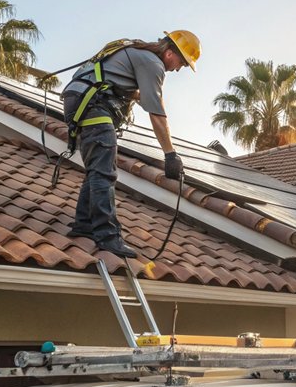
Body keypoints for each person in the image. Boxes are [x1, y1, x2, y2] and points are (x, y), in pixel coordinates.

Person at [61, 30, 201, 258]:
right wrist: (170, 155)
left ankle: (84, 224)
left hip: (80, 100)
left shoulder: (137, 52)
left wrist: (140, 95)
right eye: (182, 63)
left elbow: (127, 87)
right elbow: (157, 115)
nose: (178, 69)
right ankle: (107, 236)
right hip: (93, 105)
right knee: (105, 171)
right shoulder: (153, 63)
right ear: (169, 54)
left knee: (98, 168)